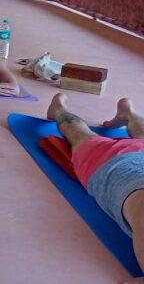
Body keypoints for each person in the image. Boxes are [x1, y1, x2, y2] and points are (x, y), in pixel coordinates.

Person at [45, 94, 144, 273]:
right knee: (78, 134)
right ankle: (58, 108)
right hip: (112, 163)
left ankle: (128, 112)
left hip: (124, 165)